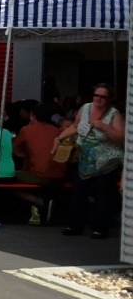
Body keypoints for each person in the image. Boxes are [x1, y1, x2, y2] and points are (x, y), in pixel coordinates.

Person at [53, 83, 124, 239]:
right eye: (96, 95)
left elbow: (121, 139)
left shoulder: (114, 115)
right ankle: (75, 225)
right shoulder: (85, 108)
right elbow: (75, 127)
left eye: (103, 96)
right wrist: (59, 138)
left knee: (102, 196)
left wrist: (104, 127)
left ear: (109, 99)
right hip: (84, 159)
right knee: (78, 193)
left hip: (106, 161)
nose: (98, 99)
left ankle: (100, 228)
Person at [13, 105, 64, 225]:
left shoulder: (27, 129)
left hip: (40, 175)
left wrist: (26, 153)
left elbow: (15, 149)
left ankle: (39, 201)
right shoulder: (57, 130)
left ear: (33, 116)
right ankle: (39, 207)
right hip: (61, 176)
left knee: (6, 178)